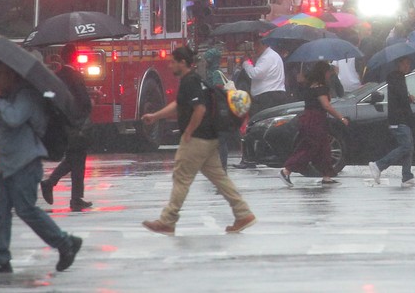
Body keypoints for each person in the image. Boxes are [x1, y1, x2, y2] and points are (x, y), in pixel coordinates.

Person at [0, 60, 83, 274]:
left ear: (11, 75)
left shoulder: (27, 96)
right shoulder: (9, 96)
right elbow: (3, 125)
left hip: (25, 163)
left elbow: (14, 118)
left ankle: (65, 243)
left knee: (26, 210)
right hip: (6, 164)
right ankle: (1, 258)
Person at [140, 45, 256, 234]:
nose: (170, 66)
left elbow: (199, 109)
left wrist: (188, 132)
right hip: (209, 138)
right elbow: (179, 105)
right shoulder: (195, 80)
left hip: (198, 138)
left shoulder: (190, 82)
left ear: (183, 63)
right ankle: (243, 214)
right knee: (219, 178)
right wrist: (155, 116)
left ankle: (167, 220)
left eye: (173, 62)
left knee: (181, 177)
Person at [281, 61, 350, 185]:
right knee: (310, 147)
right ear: (324, 73)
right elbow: (326, 106)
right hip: (315, 120)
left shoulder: (309, 86)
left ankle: (326, 175)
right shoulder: (320, 88)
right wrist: (341, 118)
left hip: (310, 119)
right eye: (328, 72)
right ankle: (287, 169)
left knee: (324, 148)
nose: (329, 75)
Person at [40, 50, 93, 211]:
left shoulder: (57, 76)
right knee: (77, 158)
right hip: (76, 123)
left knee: (74, 159)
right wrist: (90, 102)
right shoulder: (76, 76)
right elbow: (84, 100)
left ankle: (74, 197)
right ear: (75, 57)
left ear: (62, 58)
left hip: (62, 123)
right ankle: (58, 188)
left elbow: (49, 96)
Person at [232, 37, 289, 169]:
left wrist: (246, 63)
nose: (254, 49)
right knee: (267, 127)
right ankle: (259, 155)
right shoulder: (270, 56)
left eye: (256, 46)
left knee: (254, 126)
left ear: (263, 44)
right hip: (272, 95)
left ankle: (250, 158)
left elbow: (255, 74)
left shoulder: (268, 57)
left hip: (267, 97)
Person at [368, 55, 415, 185]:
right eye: (405, 63)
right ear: (398, 64)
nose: (408, 66)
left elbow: (400, 95)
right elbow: (401, 97)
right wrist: (409, 98)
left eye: (409, 63)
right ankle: (378, 165)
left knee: (409, 147)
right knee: (406, 146)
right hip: (398, 118)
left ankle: (407, 176)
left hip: (403, 118)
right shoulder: (396, 78)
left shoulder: (399, 78)